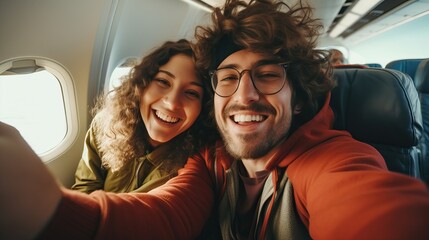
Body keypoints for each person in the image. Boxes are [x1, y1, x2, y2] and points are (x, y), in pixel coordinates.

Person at [1, 1, 429, 239]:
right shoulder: (211, 160)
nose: (244, 94)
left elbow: (367, 206)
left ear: (298, 99)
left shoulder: (333, 159)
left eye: (266, 75)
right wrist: (51, 210)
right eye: (228, 78)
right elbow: (164, 214)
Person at [71, 39, 215, 194]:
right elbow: (84, 188)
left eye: (192, 93)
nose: (172, 103)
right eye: (163, 82)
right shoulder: (104, 125)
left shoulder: (198, 161)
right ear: (141, 84)